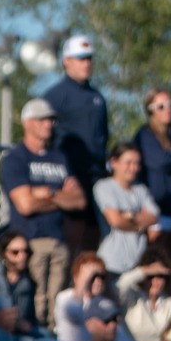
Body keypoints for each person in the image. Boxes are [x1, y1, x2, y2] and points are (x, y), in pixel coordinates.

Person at [1, 98, 85, 320]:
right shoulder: (15, 159)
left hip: (59, 240)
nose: (48, 124)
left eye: (51, 120)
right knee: (36, 302)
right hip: (30, 242)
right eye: (42, 120)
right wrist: (59, 194)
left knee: (57, 305)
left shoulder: (59, 158)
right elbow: (25, 205)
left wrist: (47, 193)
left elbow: (78, 200)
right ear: (27, 122)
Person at [44, 35, 109, 255]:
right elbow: (44, 139)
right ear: (66, 61)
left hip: (96, 177)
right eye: (80, 58)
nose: (86, 63)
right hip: (70, 178)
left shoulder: (97, 97)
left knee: (95, 236)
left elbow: (103, 136)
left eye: (89, 58)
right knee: (71, 237)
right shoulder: (54, 96)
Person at [94, 141, 159, 286]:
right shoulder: (104, 187)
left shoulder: (141, 189)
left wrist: (130, 216)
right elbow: (115, 221)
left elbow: (154, 217)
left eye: (137, 163)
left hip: (138, 262)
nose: (134, 168)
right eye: (128, 163)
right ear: (114, 162)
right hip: (111, 263)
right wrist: (141, 223)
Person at [131, 88, 171, 219]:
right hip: (157, 208)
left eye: (170, 105)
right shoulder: (145, 135)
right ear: (150, 110)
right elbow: (160, 161)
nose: (168, 110)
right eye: (161, 106)